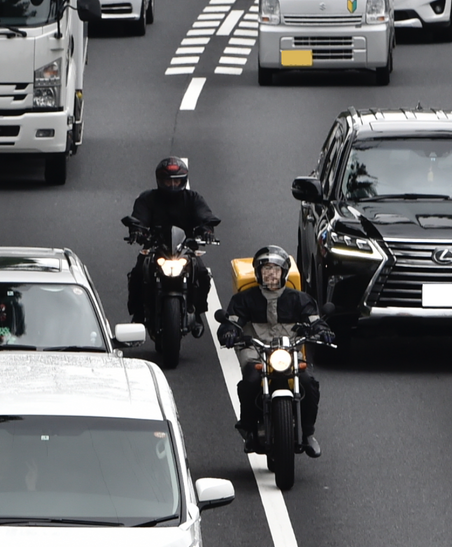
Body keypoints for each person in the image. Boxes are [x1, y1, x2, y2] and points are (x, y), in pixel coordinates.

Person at [216, 245, 333, 458]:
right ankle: (249, 427)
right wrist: (229, 333)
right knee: (251, 380)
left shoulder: (300, 299)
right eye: (266, 269)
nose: (270, 274)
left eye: (275, 269)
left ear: (284, 273)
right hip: (255, 349)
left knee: (308, 382)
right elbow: (232, 322)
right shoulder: (244, 298)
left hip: (289, 350)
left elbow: (314, 320)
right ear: (258, 273)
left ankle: (308, 433)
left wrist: (323, 331)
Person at [125, 157, 220, 338]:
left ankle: (197, 312)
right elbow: (139, 217)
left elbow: (204, 215)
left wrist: (207, 229)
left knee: (201, 273)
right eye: (168, 180)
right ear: (160, 180)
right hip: (155, 247)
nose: (172, 184)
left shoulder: (193, 198)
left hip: (184, 248)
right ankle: (137, 315)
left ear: (183, 180)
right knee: (138, 274)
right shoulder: (148, 199)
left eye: (177, 180)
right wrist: (137, 230)